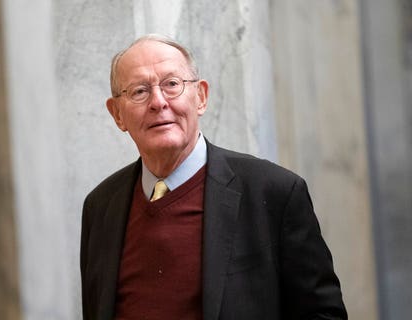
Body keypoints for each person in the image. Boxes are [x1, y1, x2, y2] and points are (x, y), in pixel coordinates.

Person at [80, 34, 347, 320]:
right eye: (139, 91)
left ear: (201, 97)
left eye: (172, 84)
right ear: (117, 114)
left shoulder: (274, 192)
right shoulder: (100, 207)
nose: (158, 102)